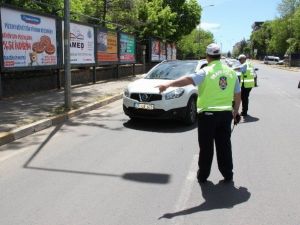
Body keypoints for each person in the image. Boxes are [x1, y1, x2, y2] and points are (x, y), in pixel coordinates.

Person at [156, 43, 241, 183]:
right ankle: (228, 174)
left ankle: (203, 176)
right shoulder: (231, 72)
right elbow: (238, 94)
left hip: (207, 116)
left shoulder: (205, 71)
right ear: (219, 56)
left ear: (207, 56)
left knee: (206, 148)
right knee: (224, 146)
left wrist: (168, 84)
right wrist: (236, 111)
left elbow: (189, 79)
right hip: (225, 115)